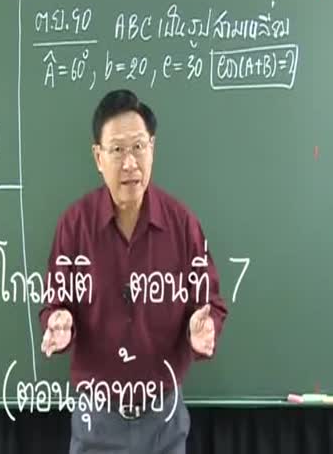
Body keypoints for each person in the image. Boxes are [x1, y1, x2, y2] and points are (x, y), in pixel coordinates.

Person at [39, 89, 228, 454]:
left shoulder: (183, 224)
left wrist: (203, 328)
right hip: (96, 420)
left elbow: (211, 304)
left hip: (164, 421)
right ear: (98, 157)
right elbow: (55, 304)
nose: (130, 163)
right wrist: (59, 321)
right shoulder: (75, 225)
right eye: (117, 150)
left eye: (139, 147)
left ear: (152, 148)